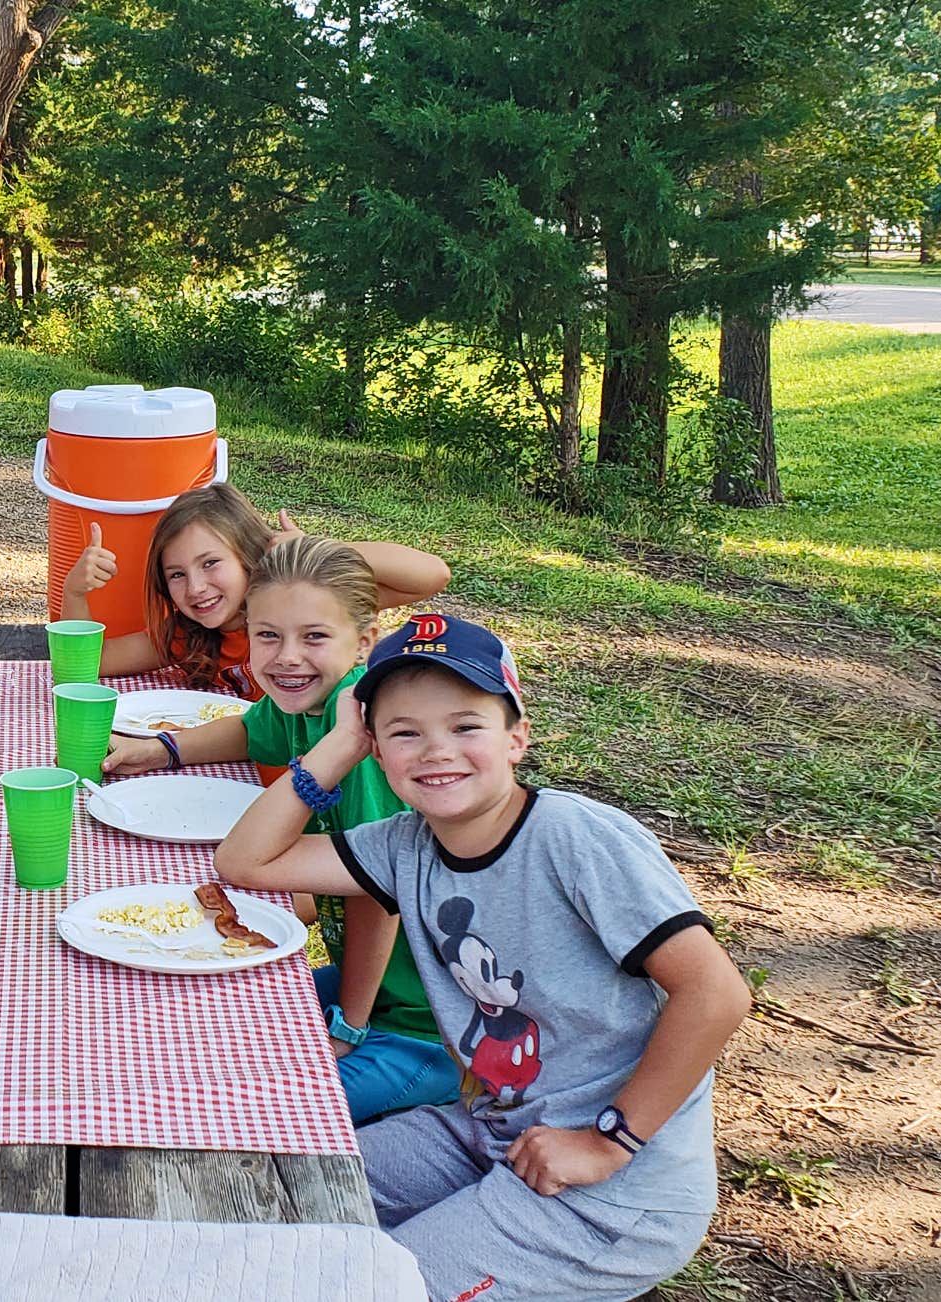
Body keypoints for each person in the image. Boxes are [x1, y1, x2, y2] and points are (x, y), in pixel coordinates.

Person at [214, 613, 750, 1301]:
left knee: (365, 1286)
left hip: (609, 1195)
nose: (436, 751)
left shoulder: (575, 838)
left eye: (465, 726)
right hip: (492, 1131)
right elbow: (245, 861)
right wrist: (342, 742)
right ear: (377, 750)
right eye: (404, 733)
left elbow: (715, 994)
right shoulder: (404, 844)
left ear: (515, 738)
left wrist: (607, 1141)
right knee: (268, 1190)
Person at [105, 537, 458, 1124]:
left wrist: (350, 1025)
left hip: (425, 1027)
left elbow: (379, 894)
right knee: (196, 1019)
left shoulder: (358, 741)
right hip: (369, 983)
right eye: (269, 636)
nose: (288, 657)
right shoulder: (311, 701)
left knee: (255, 1111)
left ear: (364, 642)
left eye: (314, 637)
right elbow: (250, 730)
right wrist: (163, 749)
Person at [60, 483, 449, 697]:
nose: (196, 588)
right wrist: (75, 592)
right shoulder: (188, 636)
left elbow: (433, 575)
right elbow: (88, 665)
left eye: (210, 563)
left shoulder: (306, 608)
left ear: (251, 556)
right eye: (177, 574)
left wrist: (316, 552)